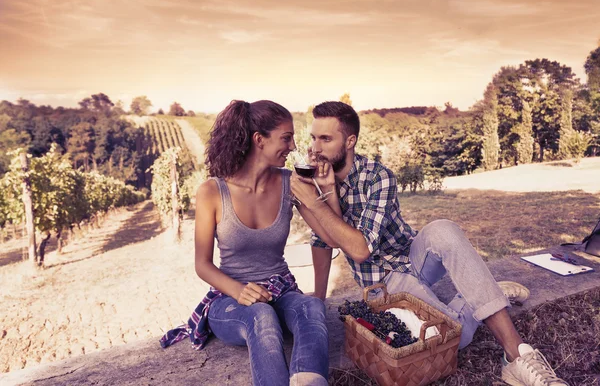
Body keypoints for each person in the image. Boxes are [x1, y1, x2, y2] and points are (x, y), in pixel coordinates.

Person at [290, 101, 568, 386]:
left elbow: (360, 249)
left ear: (350, 141)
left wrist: (317, 202)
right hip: (383, 282)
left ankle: (516, 356)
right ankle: (490, 293)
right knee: (452, 338)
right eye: (313, 137)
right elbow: (326, 241)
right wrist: (320, 297)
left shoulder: (377, 176)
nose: (315, 148)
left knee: (443, 230)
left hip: (412, 256)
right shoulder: (315, 180)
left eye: (326, 138)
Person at [160, 100, 329, 386]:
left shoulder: (291, 182)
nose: (292, 146)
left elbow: (325, 235)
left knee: (311, 308)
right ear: (259, 140)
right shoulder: (212, 191)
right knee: (260, 315)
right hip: (229, 301)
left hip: (281, 289)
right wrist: (239, 291)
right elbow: (202, 264)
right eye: (286, 138)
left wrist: (327, 191)